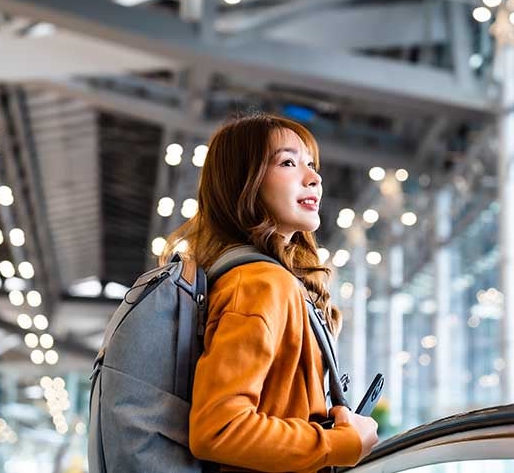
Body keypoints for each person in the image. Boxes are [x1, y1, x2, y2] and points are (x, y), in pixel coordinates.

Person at [161, 114, 379, 473]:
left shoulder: (256, 280)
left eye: (310, 164)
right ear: (244, 184)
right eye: (288, 162)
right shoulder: (260, 283)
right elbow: (219, 428)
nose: (314, 177)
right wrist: (341, 443)